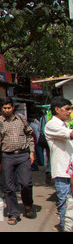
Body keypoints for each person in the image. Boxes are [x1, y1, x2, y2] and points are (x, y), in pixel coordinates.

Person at [0, 97, 36, 225]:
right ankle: (14, 214)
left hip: (23, 155)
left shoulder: (21, 118)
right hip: (7, 156)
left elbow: (29, 135)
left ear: (13, 108)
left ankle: (28, 205)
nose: (6, 110)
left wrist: (32, 151)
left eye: (9, 108)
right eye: (4, 108)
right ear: (1, 109)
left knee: (26, 183)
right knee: (9, 187)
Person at [44, 96, 73, 232]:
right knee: (65, 204)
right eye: (67, 109)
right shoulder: (52, 125)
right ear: (57, 110)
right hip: (62, 171)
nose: (69, 112)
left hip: (69, 170)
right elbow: (70, 135)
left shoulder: (64, 124)